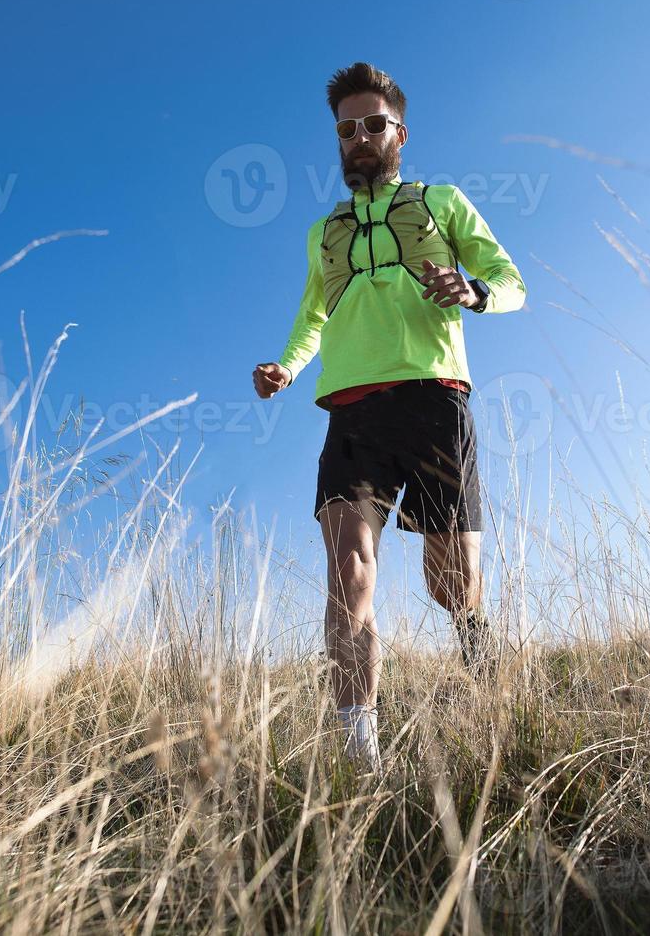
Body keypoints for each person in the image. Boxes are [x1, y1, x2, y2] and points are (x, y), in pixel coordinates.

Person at [251, 62, 527, 772]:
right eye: (347, 129)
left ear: (399, 132)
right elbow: (313, 315)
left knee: (450, 582)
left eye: (373, 124)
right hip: (351, 410)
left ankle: (477, 641)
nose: (360, 138)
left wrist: (470, 291)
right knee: (348, 572)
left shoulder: (443, 200)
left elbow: (512, 283)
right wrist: (287, 363)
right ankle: (361, 755)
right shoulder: (324, 231)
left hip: (436, 398)